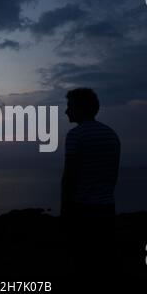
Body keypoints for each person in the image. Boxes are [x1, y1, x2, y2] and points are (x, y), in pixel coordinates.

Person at [61, 88, 120, 275]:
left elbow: (69, 176)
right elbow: (114, 174)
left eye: (69, 106)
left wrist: (65, 210)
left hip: (82, 210)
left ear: (80, 108)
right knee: (102, 262)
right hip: (107, 208)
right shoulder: (111, 134)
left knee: (81, 262)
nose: (66, 111)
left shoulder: (76, 135)